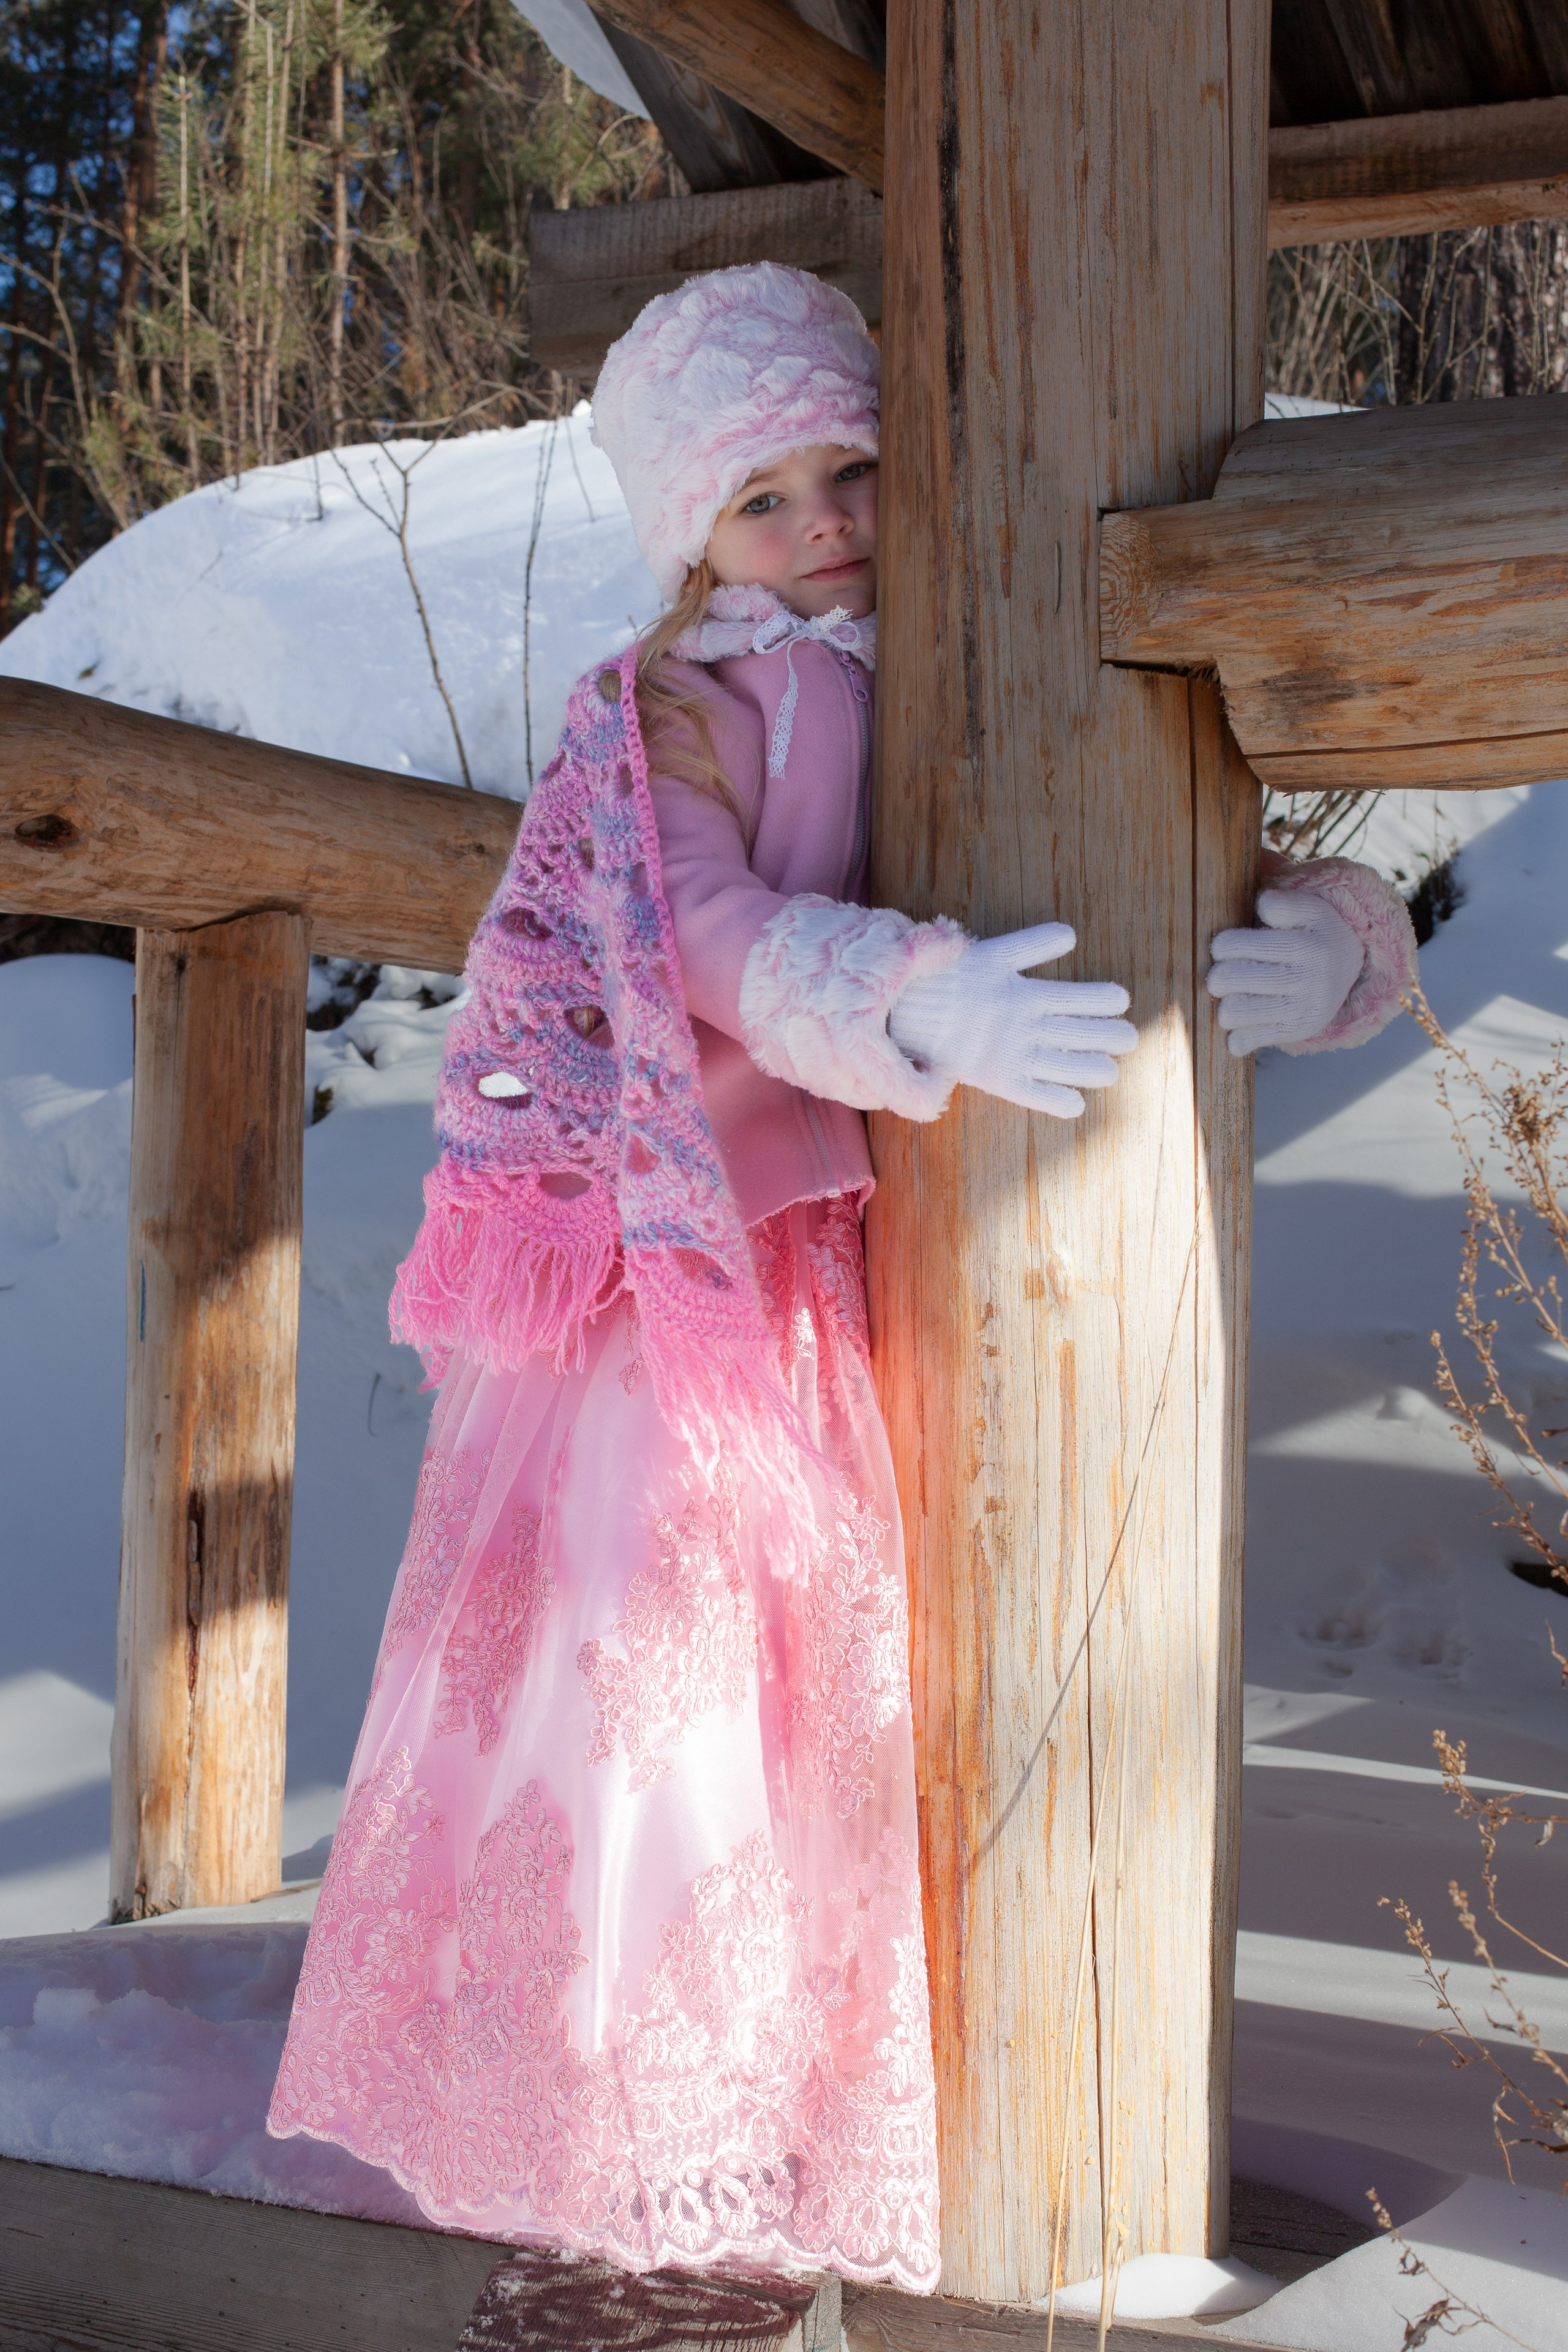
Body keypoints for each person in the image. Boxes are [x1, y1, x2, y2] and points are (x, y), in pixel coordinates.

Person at [267, 264, 1416, 2291]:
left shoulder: (968, 640)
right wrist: (911, 996)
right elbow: (693, 928)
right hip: (685, 1264)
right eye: (762, 500)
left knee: (819, 1679)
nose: (822, 528)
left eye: (846, 470)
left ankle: (776, 2088)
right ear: (690, 538)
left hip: (830, 1252)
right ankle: (616, 2104)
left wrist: (1331, 938)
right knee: (661, 1664)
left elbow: (1198, 794)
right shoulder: (672, 711)